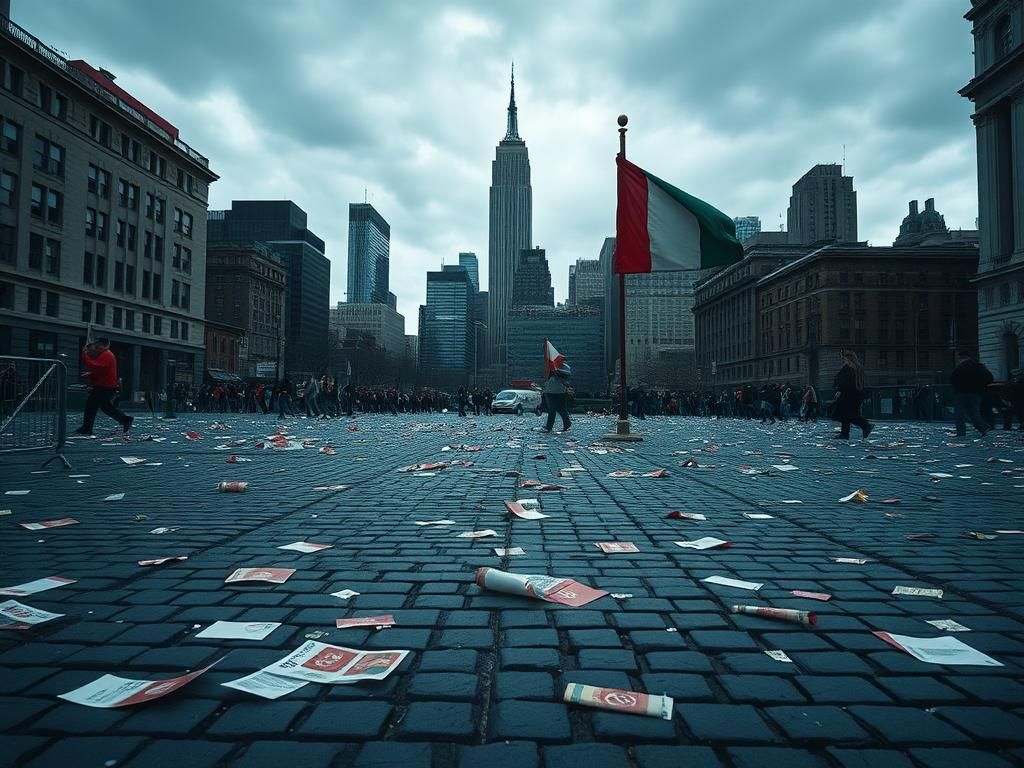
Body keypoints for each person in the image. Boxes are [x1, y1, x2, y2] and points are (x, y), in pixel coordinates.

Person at [76, 338, 133, 435]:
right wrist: (90, 374)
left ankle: (87, 428)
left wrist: (84, 355)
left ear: (102, 345)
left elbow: (96, 366)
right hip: (105, 385)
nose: (96, 348)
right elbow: (101, 369)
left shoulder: (106, 355)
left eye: (97, 346)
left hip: (104, 386)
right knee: (103, 406)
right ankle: (124, 419)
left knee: (93, 406)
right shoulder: (106, 355)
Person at [832, 349, 873, 440]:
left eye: (845, 359)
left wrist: (839, 390)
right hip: (856, 395)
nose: (844, 361)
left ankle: (865, 425)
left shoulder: (849, 368)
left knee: (847, 415)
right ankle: (845, 433)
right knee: (848, 415)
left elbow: (845, 381)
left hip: (848, 395)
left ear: (849, 359)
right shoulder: (858, 368)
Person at [950, 351, 992, 437]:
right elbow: (990, 378)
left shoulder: (960, 368)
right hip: (976, 393)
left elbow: (952, 379)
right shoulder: (979, 367)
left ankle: (961, 432)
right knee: (974, 412)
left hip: (960, 393)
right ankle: (982, 427)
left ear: (961, 358)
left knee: (959, 413)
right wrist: (981, 386)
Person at [540, 362, 572, 432]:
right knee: (552, 410)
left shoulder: (565, 366)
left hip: (561, 391)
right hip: (549, 391)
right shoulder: (549, 366)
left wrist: (557, 370)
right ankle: (549, 427)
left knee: (562, 409)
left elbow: (568, 373)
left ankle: (567, 424)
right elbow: (545, 376)